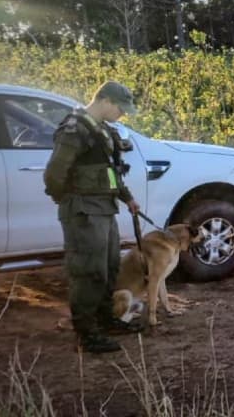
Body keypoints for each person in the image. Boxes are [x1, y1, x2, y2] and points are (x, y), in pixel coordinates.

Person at [43, 81, 144, 353]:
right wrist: (70, 200)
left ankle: (105, 320)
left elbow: (110, 171)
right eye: (120, 109)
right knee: (88, 272)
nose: (122, 115)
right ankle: (86, 333)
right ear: (105, 101)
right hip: (84, 212)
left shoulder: (101, 130)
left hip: (105, 208)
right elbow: (54, 174)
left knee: (109, 268)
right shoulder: (74, 129)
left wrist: (127, 197)